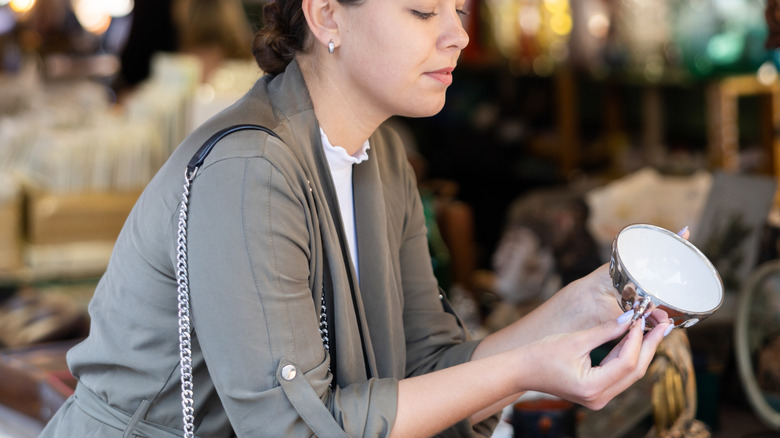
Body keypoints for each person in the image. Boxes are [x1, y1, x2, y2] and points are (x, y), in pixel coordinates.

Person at [40, 0, 674, 436]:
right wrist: (527, 370)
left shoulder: (383, 158)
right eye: (424, 11)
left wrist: (584, 306)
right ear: (326, 16)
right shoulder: (251, 169)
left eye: (457, 9)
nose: (458, 34)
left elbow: (429, 373)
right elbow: (293, 428)